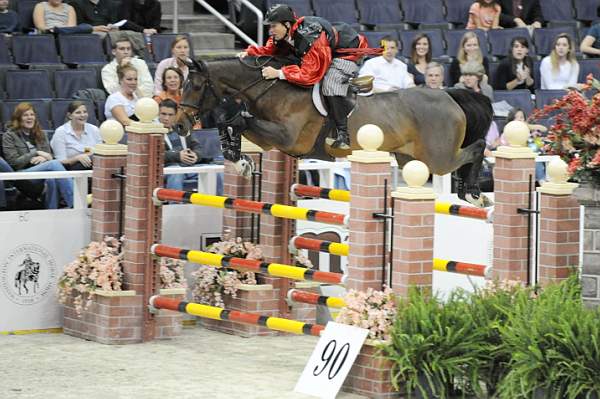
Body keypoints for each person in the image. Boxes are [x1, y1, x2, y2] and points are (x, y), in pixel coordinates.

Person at [238, 4, 369, 150]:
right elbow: (269, 50)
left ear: (287, 24)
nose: (271, 31)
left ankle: (342, 134)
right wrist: (250, 52)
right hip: (326, 49)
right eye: (270, 27)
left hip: (348, 52)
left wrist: (279, 73)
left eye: (274, 26)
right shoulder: (282, 34)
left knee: (330, 83)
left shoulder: (309, 38)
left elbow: (310, 75)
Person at [1, 103, 73, 209]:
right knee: (54, 164)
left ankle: (51, 212)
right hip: (22, 174)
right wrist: (36, 152)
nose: (30, 117)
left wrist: (44, 158)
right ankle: (75, 201)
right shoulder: (10, 135)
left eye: (32, 114)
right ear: (18, 118)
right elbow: (14, 163)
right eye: (25, 115)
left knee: (52, 178)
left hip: (41, 171)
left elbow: (49, 156)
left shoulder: (41, 134)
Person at [159, 99, 212, 190]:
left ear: (175, 116)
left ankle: (215, 203)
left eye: (170, 115)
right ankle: (174, 204)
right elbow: (156, 155)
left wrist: (195, 155)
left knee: (214, 171)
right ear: (158, 114)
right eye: (163, 114)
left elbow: (198, 147)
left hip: (189, 166)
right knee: (176, 174)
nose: (166, 118)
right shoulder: (153, 132)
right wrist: (178, 156)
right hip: (168, 168)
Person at [50, 101, 102, 170]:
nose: (83, 115)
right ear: (70, 116)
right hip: (70, 168)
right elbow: (60, 162)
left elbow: (100, 152)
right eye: (78, 112)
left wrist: (87, 155)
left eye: (85, 112)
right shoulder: (61, 132)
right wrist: (77, 158)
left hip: (94, 166)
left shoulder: (94, 129)